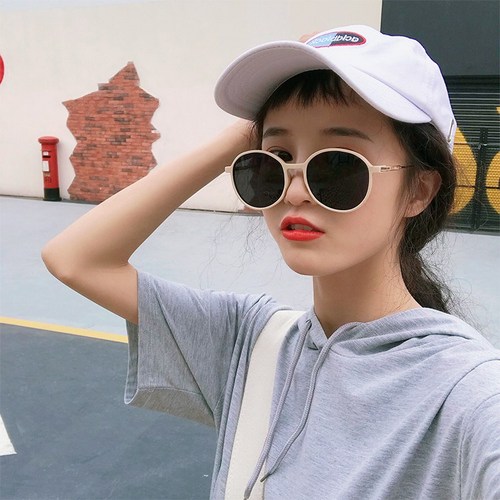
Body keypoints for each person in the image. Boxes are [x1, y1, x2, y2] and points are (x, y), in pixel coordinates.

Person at [42, 25, 500, 499]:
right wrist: (245, 133)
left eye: (338, 163)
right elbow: (75, 259)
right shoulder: (251, 343)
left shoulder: (465, 391)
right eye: (274, 160)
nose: (294, 191)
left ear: (419, 190)